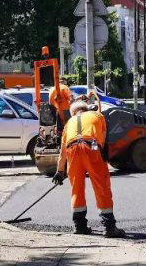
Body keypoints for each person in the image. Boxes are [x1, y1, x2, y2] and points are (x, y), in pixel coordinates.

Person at [52, 99, 125, 237]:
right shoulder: (97, 116)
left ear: (73, 113)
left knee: (76, 188)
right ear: (86, 109)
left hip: (72, 150)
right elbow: (102, 139)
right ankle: (109, 227)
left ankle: (80, 226)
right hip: (91, 147)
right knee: (101, 186)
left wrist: (60, 171)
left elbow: (62, 152)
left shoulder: (69, 123)